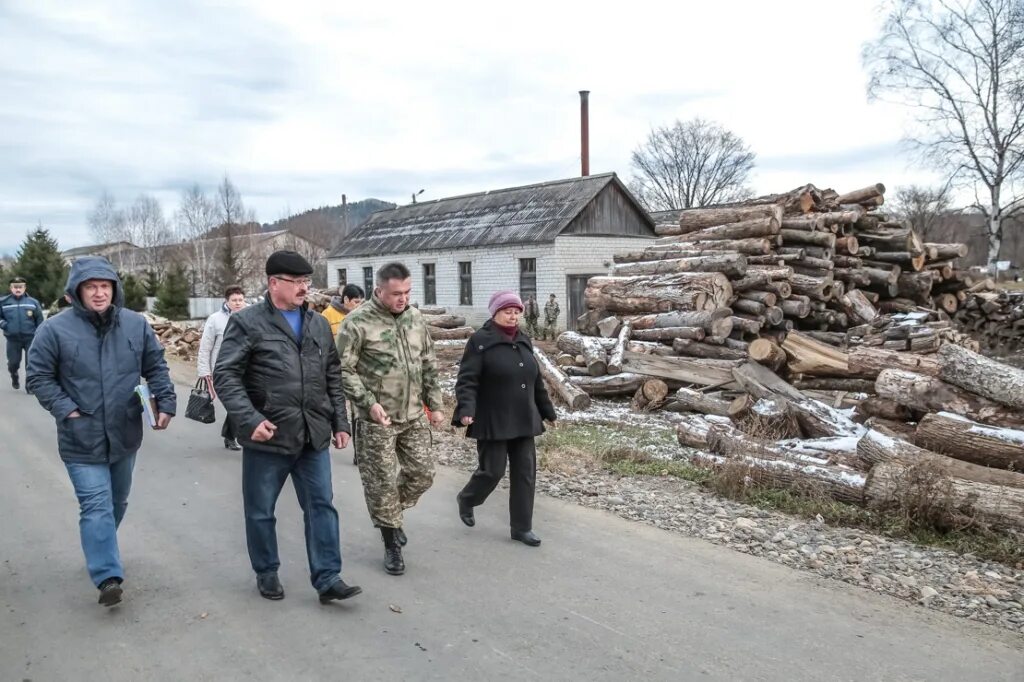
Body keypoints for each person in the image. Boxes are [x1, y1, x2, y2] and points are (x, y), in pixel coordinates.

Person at [26, 257, 176, 607]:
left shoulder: (135, 325)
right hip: (80, 435)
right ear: (76, 292)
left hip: (124, 432)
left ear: (114, 289)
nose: (98, 293)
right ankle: (107, 575)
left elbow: (155, 366)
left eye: (105, 286)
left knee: (116, 501)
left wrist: (165, 402)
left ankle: (101, 544)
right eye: (91, 287)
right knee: (96, 505)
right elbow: (38, 377)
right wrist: (68, 410)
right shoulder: (54, 330)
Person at [214, 250, 362, 604]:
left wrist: (340, 422)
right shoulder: (247, 322)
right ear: (273, 283)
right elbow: (226, 375)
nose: (303, 289)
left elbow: (332, 375)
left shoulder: (317, 324)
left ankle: (328, 577)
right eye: (296, 282)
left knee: (321, 506)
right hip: (269, 435)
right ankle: (266, 571)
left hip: (313, 434)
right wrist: (250, 420)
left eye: (306, 282)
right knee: (261, 510)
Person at [336, 262, 446, 576]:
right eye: (396, 293)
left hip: (413, 414)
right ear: (378, 290)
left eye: (408, 292)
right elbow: (342, 369)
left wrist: (434, 404)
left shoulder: (414, 318)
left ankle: (391, 515)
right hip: (377, 420)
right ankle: (391, 544)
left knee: (422, 475)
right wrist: (367, 404)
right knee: (381, 485)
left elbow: (428, 362)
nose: (403, 298)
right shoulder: (357, 322)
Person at [453, 291, 556, 547]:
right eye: (507, 311)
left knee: (525, 474)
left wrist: (546, 410)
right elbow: (467, 380)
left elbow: (536, 381)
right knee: (492, 471)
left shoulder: (524, 340)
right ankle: (468, 498)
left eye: (516, 311)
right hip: (493, 417)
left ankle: (522, 528)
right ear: (495, 312)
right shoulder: (480, 341)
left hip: (524, 417)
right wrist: (466, 409)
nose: (513, 316)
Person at [197, 285, 247, 450]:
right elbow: (206, 347)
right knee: (235, 404)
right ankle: (232, 436)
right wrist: (205, 372)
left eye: (240, 300)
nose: (238, 303)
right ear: (227, 301)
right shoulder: (215, 319)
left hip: (246, 368)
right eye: (234, 300)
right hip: (223, 370)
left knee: (245, 402)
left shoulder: (250, 317)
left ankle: (231, 435)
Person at [1, 276, 45, 392]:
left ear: (25, 288)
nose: (18, 289)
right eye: (15, 287)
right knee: (13, 363)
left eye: (20, 287)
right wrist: (5, 325)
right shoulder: (4, 302)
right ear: (11, 288)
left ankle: (29, 386)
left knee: (30, 364)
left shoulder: (33, 302)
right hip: (13, 339)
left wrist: (39, 334)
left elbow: (39, 320)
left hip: (30, 338)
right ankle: (14, 375)